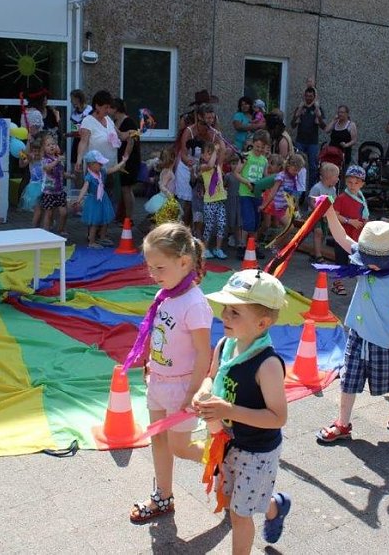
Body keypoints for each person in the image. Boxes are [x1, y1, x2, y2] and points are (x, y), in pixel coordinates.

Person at [196, 269, 292, 551]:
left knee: (240, 514)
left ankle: (269, 508)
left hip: (257, 451)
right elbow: (211, 376)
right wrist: (203, 392)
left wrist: (229, 409)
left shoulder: (268, 364)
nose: (225, 316)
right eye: (226, 309)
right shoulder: (226, 345)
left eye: (235, 313)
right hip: (227, 443)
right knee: (231, 503)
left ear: (262, 323)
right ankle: (275, 506)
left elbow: (278, 417)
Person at [130, 223, 213, 523]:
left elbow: (205, 352)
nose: (153, 274)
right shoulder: (165, 294)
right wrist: (149, 363)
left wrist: (192, 393)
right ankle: (163, 497)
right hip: (159, 382)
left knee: (179, 446)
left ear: (184, 262)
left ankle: (222, 460)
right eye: (150, 267)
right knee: (160, 440)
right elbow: (157, 331)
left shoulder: (194, 304)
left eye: (159, 267)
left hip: (182, 388)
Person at [315, 219, 389, 441]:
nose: (370, 266)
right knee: (348, 378)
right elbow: (341, 237)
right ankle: (342, 423)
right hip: (357, 333)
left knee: (388, 378)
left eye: (375, 262)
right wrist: (328, 208)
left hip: (383, 339)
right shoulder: (365, 265)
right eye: (367, 261)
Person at [329, 165, 369, 297]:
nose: (353, 186)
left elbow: (364, 215)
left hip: (357, 235)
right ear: (346, 182)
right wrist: (349, 221)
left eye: (356, 183)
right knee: (341, 260)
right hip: (343, 235)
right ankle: (337, 283)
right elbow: (334, 215)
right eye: (350, 182)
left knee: (356, 261)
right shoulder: (341, 198)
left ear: (362, 184)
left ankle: (361, 285)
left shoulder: (362, 198)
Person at [75, 150, 127, 248]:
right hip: (94, 201)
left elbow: (113, 169)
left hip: (103, 199)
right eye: (99, 163)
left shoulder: (102, 172)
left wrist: (123, 162)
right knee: (94, 222)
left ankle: (102, 237)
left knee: (105, 220)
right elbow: (84, 188)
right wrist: (79, 199)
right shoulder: (89, 176)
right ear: (91, 165)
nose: (102, 165)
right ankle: (91, 241)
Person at [235, 129, 271, 259]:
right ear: (253, 143)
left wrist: (269, 182)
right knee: (248, 221)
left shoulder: (264, 160)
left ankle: (253, 246)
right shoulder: (246, 156)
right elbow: (236, 173)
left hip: (257, 195)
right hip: (245, 193)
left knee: (256, 222)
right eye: (257, 147)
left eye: (262, 148)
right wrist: (247, 182)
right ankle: (242, 246)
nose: (259, 150)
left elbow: (265, 176)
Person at [111, 98, 141, 223]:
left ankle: (129, 218)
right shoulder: (115, 121)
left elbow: (131, 141)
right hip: (120, 159)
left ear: (116, 109)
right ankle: (122, 215)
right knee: (123, 188)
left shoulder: (129, 122)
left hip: (129, 159)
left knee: (126, 188)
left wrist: (125, 158)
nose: (108, 111)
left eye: (110, 108)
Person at [291, 86, 326, 187]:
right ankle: (298, 189)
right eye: (307, 96)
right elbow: (293, 125)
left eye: (311, 96)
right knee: (298, 165)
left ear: (314, 97)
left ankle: (311, 190)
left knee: (313, 167)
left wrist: (318, 115)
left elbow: (324, 127)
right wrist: (297, 114)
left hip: (312, 142)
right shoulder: (300, 108)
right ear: (304, 96)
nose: (308, 98)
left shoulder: (317, 108)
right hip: (300, 141)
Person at [199, 142, 228, 259]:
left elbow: (223, 151)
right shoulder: (203, 167)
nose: (212, 156)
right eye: (209, 153)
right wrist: (215, 151)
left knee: (221, 224)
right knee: (209, 226)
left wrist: (220, 138)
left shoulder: (218, 166)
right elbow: (210, 165)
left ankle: (218, 248)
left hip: (220, 201)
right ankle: (205, 249)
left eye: (212, 153)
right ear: (202, 155)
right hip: (209, 202)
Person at [307, 162, 340, 263]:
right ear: (329, 178)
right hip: (315, 214)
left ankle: (315, 252)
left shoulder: (333, 189)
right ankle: (318, 255)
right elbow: (310, 200)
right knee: (318, 232)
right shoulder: (318, 187)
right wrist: (317, 211)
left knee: (323, 234)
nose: (338, 179)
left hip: (325, 215)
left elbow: (332, 203)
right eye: (336, 177)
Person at [39, 133, 69, 237]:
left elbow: (61, 173)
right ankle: (46, 232)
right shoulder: (44, 159)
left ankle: (60, 230)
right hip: (48, 191)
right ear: (44, 148)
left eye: (53, 144)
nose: (52, 146)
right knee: (49, 213)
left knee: (64, 212)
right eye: (48, 145)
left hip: (59, 191)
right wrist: (57, 161)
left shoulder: (58, 158)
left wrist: (69, 176)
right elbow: (47, 168)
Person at [18, 136, 44, 227]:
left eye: (38, 151)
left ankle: (39, 226)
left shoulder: (44, 159)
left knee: (43, 209)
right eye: (34, 151)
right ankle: (34, 227)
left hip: (45, 186)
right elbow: (21, 165)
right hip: (34, 187)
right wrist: (21, 157)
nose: (36, 153)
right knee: (38, 209)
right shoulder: (30, 159)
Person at [66, 89, 92, 174]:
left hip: (89, 141)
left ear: (78, 99)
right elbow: (75, 131)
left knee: (89, 166)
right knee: (77, 168)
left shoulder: (90, 111)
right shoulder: (74, 114)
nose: (71, 101)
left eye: (72, 99)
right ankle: (79, 187)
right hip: (78, 142)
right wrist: (68, 134)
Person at [324, 105, 358, 170]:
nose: (340, 114)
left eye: (342, 112)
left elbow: (354, 140)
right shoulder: (336, 123)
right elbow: (326, 130)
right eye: (339, 112)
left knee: (342, 173)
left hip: (344, 153)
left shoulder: (351, 125)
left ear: (347, 114)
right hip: (332, 153)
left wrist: (346, 145)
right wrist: (333, 120)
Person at [153, 147, 181, 226]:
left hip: (164, 198)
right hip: (166, 199)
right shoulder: (168, 172)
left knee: (164, 218)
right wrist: (170, 196)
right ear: (173, 159)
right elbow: (162, 186)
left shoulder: (165, 170)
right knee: (166, 219)